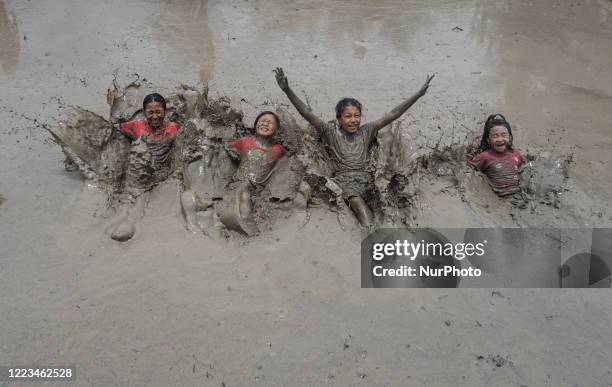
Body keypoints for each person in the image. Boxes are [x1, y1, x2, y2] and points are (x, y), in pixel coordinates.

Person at [274, 67, 433, 228]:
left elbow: (394, 113)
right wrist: (287, 90)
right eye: (348, 116)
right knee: (364, 214)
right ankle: (371, 242)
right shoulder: (330, 132)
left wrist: (418, 95)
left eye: (357, 116)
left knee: (387, 212)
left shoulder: (367, 130)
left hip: (368, 183)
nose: (353, 120)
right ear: (339, 118)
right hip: (346, 185)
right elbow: (306, 113)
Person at [110, 93, 180, 241]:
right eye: (150, 112)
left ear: (165, 112)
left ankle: (132, 222)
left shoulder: (173, 129)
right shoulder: (136, 126)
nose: (155, 116)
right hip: (141, 173)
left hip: (163, 173)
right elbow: (113, 130)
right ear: (144, 113)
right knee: (131, 196)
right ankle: (125, 219)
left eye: (158, 112)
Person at [219, 111, 285, 235]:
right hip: (239, 183)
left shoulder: (279, 150)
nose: (265, 124)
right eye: (262, 121)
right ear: (255, 125)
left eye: (270, 123)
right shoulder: (245, 142)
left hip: (259, 189)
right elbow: (225, 150)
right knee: (241, 194)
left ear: (276, 130)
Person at [467, 114, 525, 197]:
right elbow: (466, 170)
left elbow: (525, 170)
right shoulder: (484, 157)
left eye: (504, 135)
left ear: (510, 138)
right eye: (495, 136)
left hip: (519, 195)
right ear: (488, 140)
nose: (500, 139)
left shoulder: (516, 154)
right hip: (499, 198)